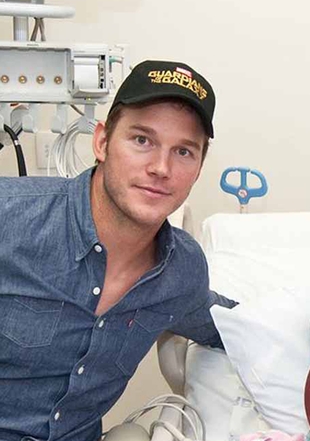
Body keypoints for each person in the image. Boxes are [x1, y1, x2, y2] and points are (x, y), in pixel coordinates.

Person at [0, 60, 237, 441]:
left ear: (198, 169)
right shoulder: (10, 219)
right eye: (142, 140)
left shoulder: (180, 272)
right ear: (101, 142)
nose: (160, 168)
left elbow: (230, 325)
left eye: (183, 151)